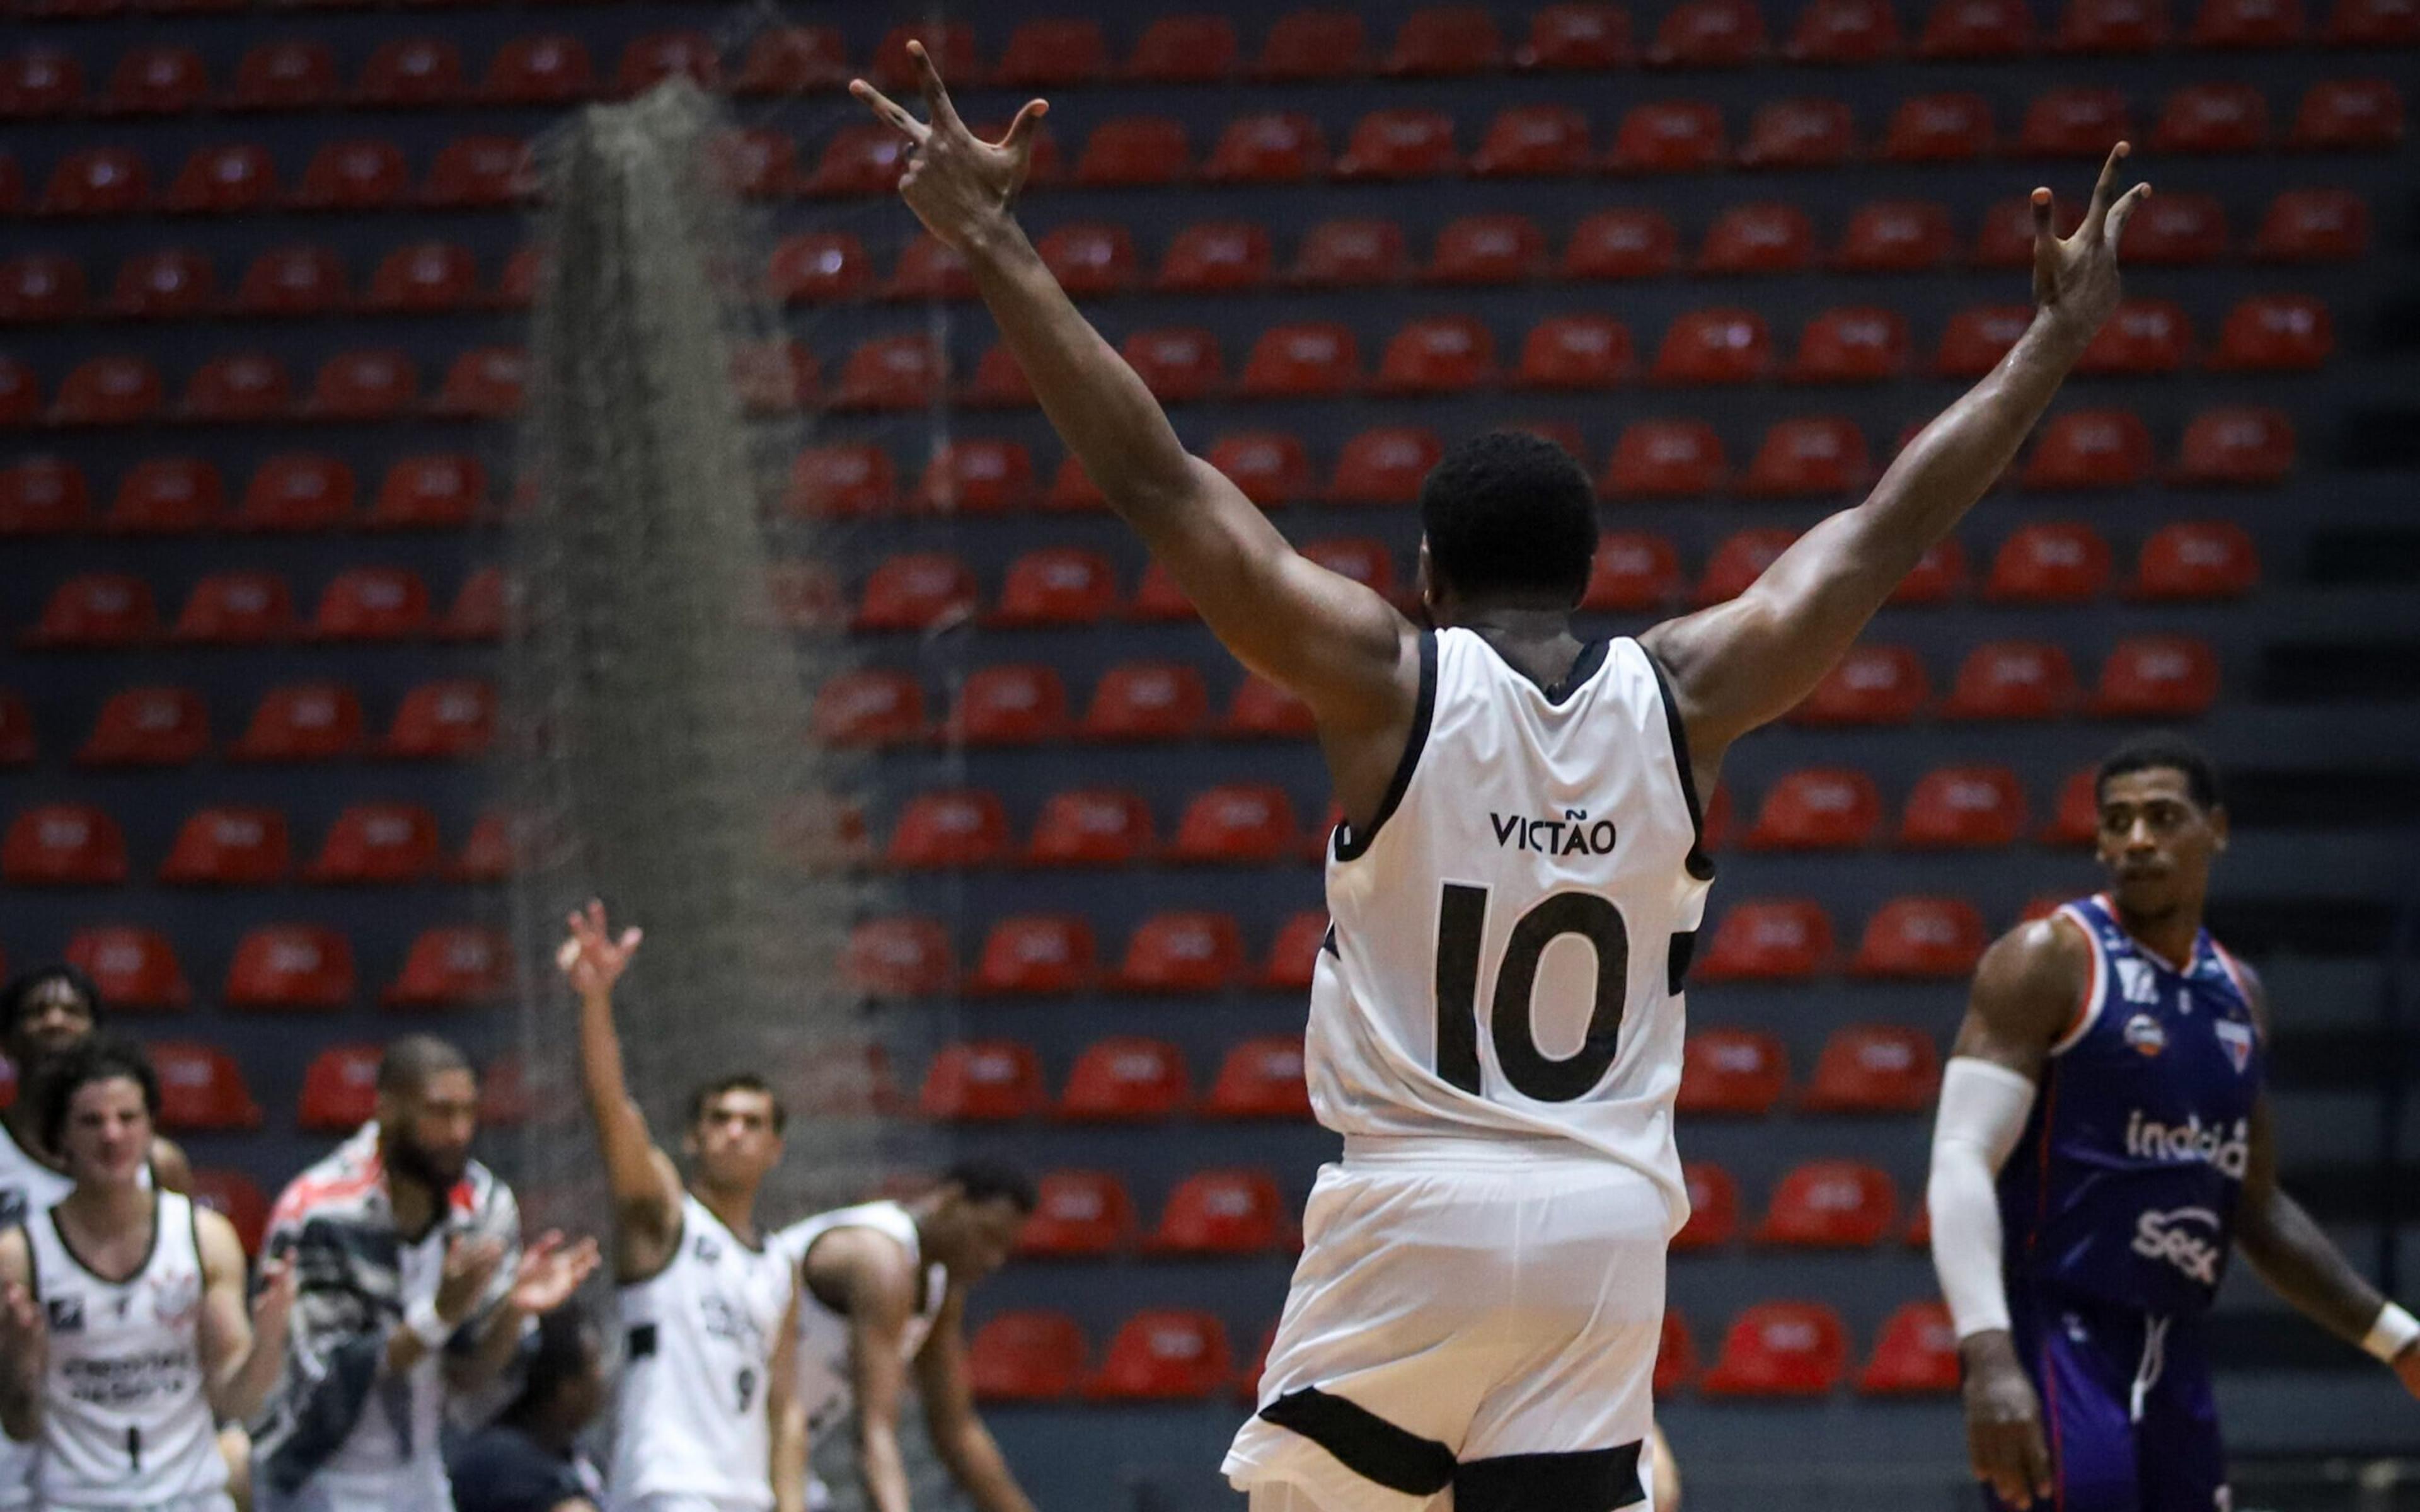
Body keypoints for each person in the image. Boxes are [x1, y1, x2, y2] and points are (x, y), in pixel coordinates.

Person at [848, 41, 2149, 1511]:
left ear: (1424, 570)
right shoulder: (1687, 690)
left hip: (1414, 1202)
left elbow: (1158, 483)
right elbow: (1878, 533)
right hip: (1603, 1218)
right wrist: (2047, 346)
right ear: (1588, 573)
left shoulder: (1383, 675)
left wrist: (994, 239)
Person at [1928, 735, 2420, 1511]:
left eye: (2162, 817)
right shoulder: (2050, 958)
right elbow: (1959, 1155)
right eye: (2117, 822)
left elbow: (2254, 1209)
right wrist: (1986, 1351)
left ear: (2215, 830)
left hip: (2176, 1340)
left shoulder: (2239, 994)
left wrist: (2398, 1339)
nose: (2137, 840)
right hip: (2060, 1324)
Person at [250, 1035, 597, 1512]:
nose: (458, 1132)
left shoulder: (483, 1205)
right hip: (317, 1473)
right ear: (387, 1110)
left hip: (421, 1472)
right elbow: (330, 1377)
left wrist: (514, 1311)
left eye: (468, 1112)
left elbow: (469, 1375)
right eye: (439, 1112)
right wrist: (439, 1315)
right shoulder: (322, 1212)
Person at [555, 902, 798, 1512]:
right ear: (693, 1138)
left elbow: (785, 1405)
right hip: (670, 1486)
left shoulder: (777, 1266)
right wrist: (594, 1001)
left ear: (776, 1148)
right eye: (720, 1120)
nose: (735, 1133)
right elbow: (613, 1109)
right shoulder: (666, 1219)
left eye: (752, 1123)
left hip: (747, 1495)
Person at [0, 1038, 293, 1512]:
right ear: (61, 1137)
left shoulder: (204, 1238)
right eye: (91, 1121)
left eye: (128, 1118)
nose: (112, 1136)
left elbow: (236, 1400)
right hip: (73, 1501)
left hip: (188, 1498)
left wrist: (270, 1338)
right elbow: (20, 1425)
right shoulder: (20, 1256)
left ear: (152, 1126)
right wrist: (19, 1368)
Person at [1, 965, 197, 1512]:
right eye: (37, 1011)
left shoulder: (157, 1164)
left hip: (113, 1394)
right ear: (7, 1042)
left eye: (72, 1011)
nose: (55, 1021)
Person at [771, 1166, 1038, 1512]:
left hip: (772, 1454)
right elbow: (874, 1432)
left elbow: (956, 1431)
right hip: (706, 1441)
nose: (992, 1260)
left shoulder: (940, 1286)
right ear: (951, 1200)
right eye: (987, 1235)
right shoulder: (879, 1260)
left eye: (1005, 1248)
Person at [447, 1308, 608, 1512]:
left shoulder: (571, 1452)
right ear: (566, 1388)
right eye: (594, 1366)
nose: (601, 1377)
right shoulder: (502, 1458)